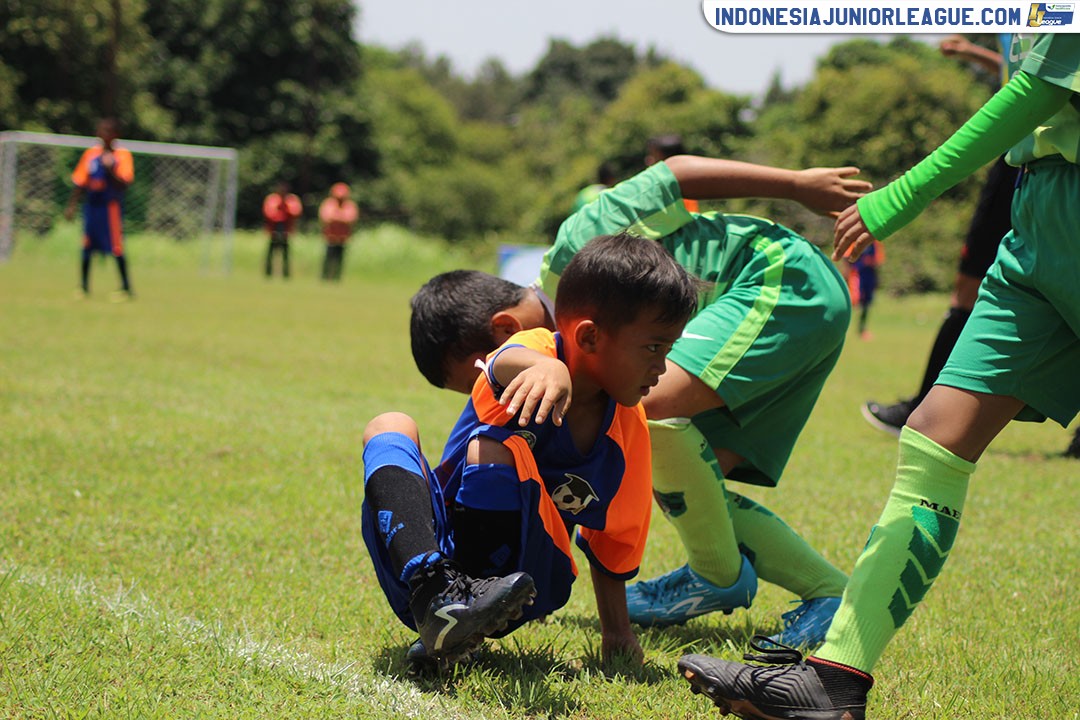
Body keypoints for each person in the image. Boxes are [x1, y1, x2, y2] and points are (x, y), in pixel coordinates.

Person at [678, 32, 1080, 719]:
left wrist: (900, 196)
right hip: (1035, 214)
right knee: (935, 437)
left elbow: (1039, 90)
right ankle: (835, 680)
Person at [411, 154, 872, 647]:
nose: (505, 397)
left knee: (636, 419)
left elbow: (674, 173)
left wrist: (798, 185)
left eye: (489, 377)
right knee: (683, 477)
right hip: (791, 303)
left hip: (777, 281)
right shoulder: (582, 337)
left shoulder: (574, 250)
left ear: (505, 333)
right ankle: (824, 593)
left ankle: (717, 574)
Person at [361, 233, 699, 670]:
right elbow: (502, 363)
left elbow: (615, 541)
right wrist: (547, 367)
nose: (661, 367)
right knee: (390, 425)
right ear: (590, 337)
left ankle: (466, 609)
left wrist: (617, 633)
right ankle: (438, 602)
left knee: (497, 447)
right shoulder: (536, 353)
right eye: (653, 347)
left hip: (528, 579)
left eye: (668, 349)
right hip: (428, 560)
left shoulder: (628, 428)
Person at [862, 35, 1016, 434]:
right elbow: (1029, 68)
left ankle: (922, 415)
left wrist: (912, 188)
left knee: (975, 290)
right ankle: (925, 414)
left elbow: (1036, 82)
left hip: (1031, 159)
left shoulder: (1051, 13)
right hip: (1029, 161)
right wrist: (973, 53)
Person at [64, 118, 135, 301]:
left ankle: (126, 288)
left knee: (116, 247)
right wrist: (71, 206)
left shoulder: (122, 155)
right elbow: (80, 182)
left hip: (110, 206)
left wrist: (110, 169)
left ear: (114, 135)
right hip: (92, 206)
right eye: (100, 131)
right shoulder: (91, 154)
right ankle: (84, 287)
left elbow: (124, 184)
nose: (102, 135)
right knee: (87, 246)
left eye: (107, 132)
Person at [844, 239, 885, 340]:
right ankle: (843, 328)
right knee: (852, 301)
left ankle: (862, 329)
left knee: (866, 304)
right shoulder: (855, 241)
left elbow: (878, 261)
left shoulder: (876, 243)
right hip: (857, 275)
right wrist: (846, 273)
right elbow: (846, 258)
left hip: (869, 276)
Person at [318, 182, 359, 281]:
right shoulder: (328, 203)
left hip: (342, 238)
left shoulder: (350, 205)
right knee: (327, 260)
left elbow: (351, 219)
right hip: (330, 238)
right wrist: (341, 217)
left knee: (340, 261)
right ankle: (324, 278)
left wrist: (336, 216)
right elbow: (326, 218)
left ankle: (337, 278)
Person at [262, 181, 302, 279]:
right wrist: (279, 209)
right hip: (273, 230)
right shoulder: (272, 199)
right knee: (270, 253)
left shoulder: (292, 199)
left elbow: (296, 212)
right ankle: (268, 273)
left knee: (286, 255)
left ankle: (286, 274)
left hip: (286, 231)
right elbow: (268, 213)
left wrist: (286, 207)